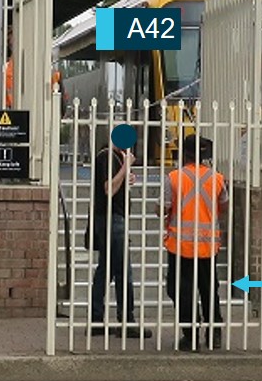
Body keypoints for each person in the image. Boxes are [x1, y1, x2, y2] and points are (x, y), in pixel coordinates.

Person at [164, 135, 228, 351]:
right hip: (208, 246)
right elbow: (224, 205)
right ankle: (214, 333)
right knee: (210, 290)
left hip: (180, 246)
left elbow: (163, 207)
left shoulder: (173, 177)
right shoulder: (217, 178)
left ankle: (190, 336)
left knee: (180, 290)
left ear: (184, 153)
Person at [86, 136, 149, 338]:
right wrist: (125, 168)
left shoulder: (115, 158)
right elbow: (109, 189)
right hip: (112, 219)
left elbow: (115, 184)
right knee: (123, 271)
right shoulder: (107, 157)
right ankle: (126, 321)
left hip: (110, 219)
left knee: (105, 270)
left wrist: (126, 175)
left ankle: (96, 320)